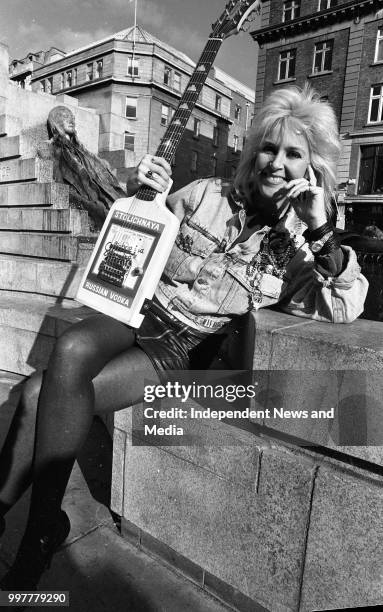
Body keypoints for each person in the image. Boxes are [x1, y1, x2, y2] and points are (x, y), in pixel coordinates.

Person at [0, 85, 368, 590]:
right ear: (253, 150)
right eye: (268, 148)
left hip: (176, 347)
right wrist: (142, 190)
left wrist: (322, 230)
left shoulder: (299, 250)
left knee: (37, 392)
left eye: (292, 155)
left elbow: (346, 306)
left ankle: (35, 533)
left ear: (311, 169)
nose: (276, 163)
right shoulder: (206, 193)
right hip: (137, 312)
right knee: (69, 349)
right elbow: (136, 240)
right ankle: (41, 531)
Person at [37, 105, 127, 230]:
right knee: (103, 211)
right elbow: (54, 179)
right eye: (65, 116)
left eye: (72, 117)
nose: (71, 120)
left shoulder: (82, 150)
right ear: (55, 121)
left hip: (101, 192)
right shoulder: (48, 147)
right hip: (80, 194)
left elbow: (100, 169)